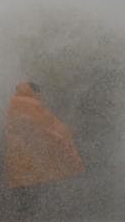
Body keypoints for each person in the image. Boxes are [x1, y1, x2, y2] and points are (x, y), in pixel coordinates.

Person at [5, 82, 85, 210]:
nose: (41, 95)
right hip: (32, 155)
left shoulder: (12, 103)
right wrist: (62, 137)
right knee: (35, 187)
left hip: (15, 152)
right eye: (39, 92)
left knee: (21, 188)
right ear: (34, 91)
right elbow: (43, 126)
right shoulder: (32, 104)